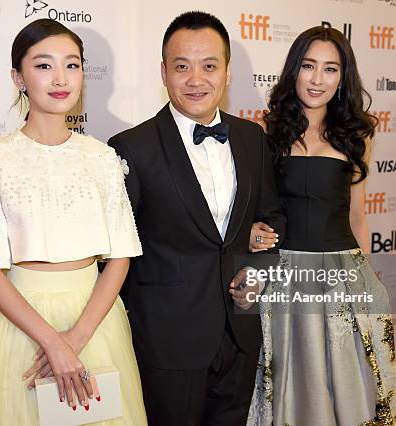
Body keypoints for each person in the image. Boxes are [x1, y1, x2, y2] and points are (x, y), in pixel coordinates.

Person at [0, 19, 147, 425]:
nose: (60, 78)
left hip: (95, 322)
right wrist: (54, 344)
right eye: (44, 66)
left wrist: (76, 338)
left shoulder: (101, 158)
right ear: (19, 77)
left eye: (72, 65)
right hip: (17, 325)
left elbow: (121, 256)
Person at [108, 11, 285, 425]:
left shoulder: (250, 138)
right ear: (164, 72)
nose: (195, 79)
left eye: (209, 66)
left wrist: (257, 271)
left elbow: (272, 220)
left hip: (240, 333)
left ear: (227, 73)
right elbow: (115, 253)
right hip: (168, 340)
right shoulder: (130, 147)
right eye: (181, 66)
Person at [246, 26, 396, 425]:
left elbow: (359, 214)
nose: (318, 79)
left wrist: (368, 280)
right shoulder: (266, 132)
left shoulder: (358, 134)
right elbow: (256, 210)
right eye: (309, 66)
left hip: (343, 277)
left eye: (330, 69)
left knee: (347, 388)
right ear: (293, 70)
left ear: (342, 78)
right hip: (284, 276)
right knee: (292, 387)